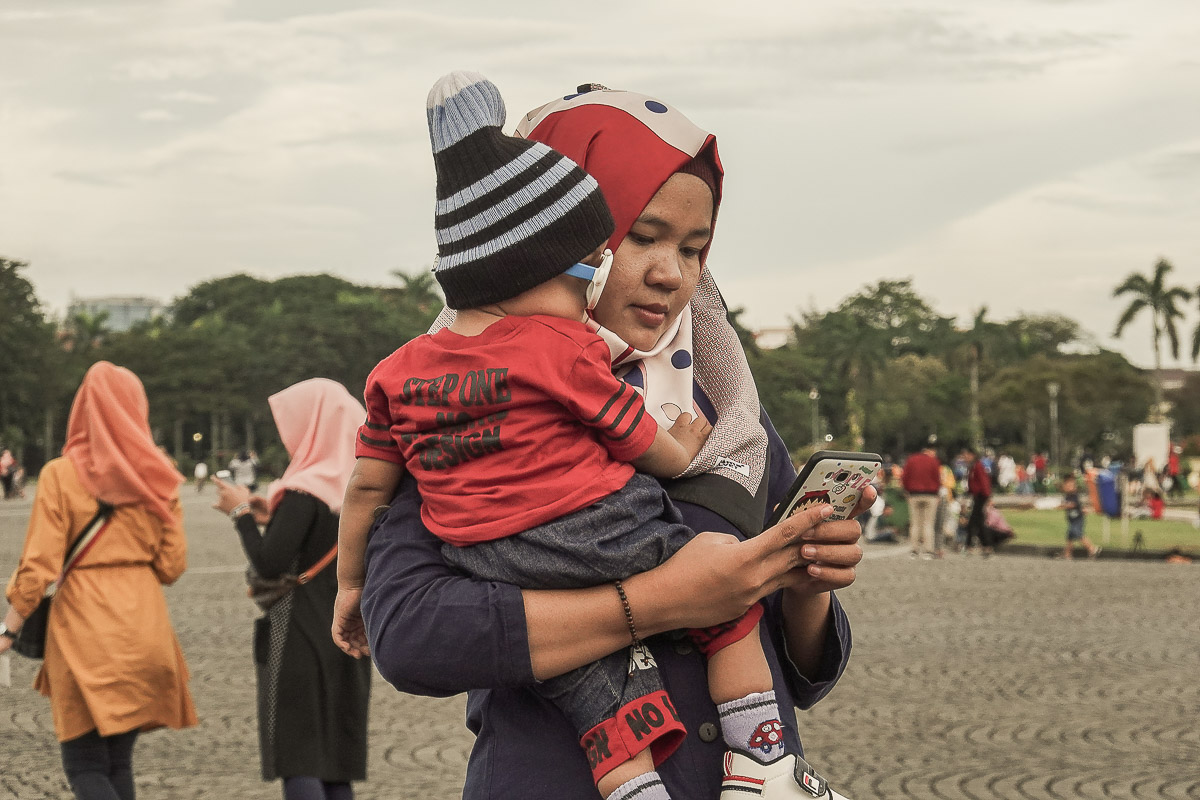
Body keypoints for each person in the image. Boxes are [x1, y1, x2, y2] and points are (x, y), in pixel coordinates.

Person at [358, 81, 869, 800]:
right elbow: (412, 637)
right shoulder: (460, 406)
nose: (673, 274)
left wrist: (807, 582)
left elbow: (802, 669)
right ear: (553, 241)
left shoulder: (729, 419)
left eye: (695, 250)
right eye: (643, 235)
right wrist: (661, 599)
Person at [1, 361, 197, 800]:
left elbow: (39, 565)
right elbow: (172, 566)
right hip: (145, 625)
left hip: (84, 627)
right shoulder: (159, 474)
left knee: (85, 765)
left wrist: (9, 628)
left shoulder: (60, 474)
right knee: (118, 762)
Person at [211, 379, 371, 800]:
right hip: (352, 631)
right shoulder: (366, 489)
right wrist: (271, 518)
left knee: (299, 755)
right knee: (337, 762)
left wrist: (242, 512)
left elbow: (268, 564)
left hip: (298, 634)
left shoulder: (304, 489)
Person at [900, 440, 940, 558]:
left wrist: (906, 490)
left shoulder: (911, 460)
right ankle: (928, 550)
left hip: (914, 494)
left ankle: (914, 550)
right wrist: (937, 492)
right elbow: (937, 478)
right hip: (931, 494)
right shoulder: (934, 461)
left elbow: (904, 476)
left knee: (915, 523)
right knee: (928, 523)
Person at [1059, 474, 1099, 559]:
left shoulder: (1074, 496)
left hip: (1078, 519)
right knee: (1069, 537)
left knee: (1078, 534)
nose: (1068, 487)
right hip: (1072, 520)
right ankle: (1067, 553)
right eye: (1067, 485)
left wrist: (1065, 505)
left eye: (1071, 485)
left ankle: (1092, 548)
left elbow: (1073, 504)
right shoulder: (1067, 496)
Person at [963, 448, 993, 555]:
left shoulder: (978, 466)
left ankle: (971, 545)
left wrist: (988, 497)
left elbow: (984, 482)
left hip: (981, 496)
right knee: (977, 522)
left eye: (966, 455)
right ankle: (984, 546)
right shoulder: (973, 467)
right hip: (977, 496)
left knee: (975, 521)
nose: (965, 457)